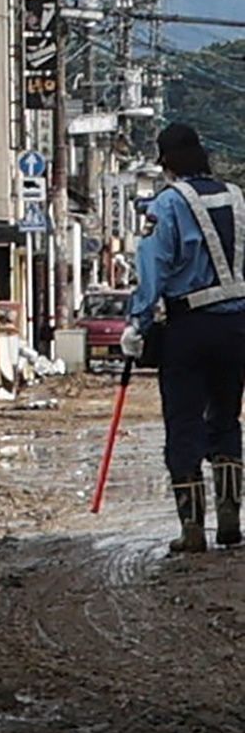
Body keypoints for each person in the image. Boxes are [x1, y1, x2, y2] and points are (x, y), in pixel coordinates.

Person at [125, 121, 245, 555]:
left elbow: (153, 266)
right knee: (227, 419)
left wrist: (137, 322)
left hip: (188, 326)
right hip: (237, 326)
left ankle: (192, 528)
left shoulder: (168, 203)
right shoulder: (238, 197)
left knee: (184, 423)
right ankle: (230, 521)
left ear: (167, 162)